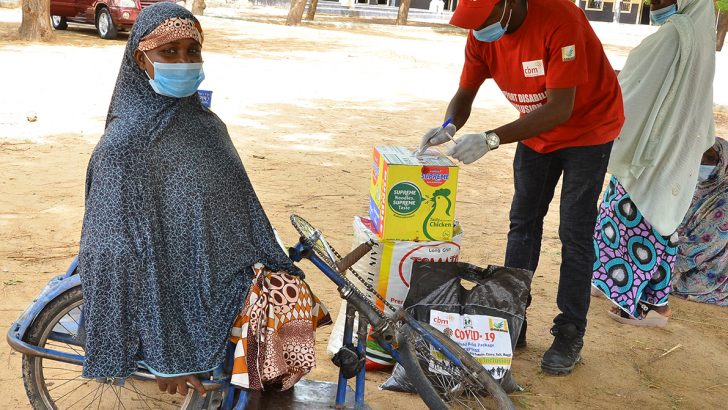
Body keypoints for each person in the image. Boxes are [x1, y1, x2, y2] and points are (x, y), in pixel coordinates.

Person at [78, 3, 304, 396]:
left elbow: (237, 205)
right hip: (162, 282)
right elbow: (113, 252)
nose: (183, 61)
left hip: (217, 267)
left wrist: (266, 255)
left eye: (192, 51)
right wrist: (166, 350)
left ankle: (259, 393)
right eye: (169, 52)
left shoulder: (207, 126)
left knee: (288, 301)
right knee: (278, 318)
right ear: (141, 60)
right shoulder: (123, 145)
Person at [419, 0, 624, 375]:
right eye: (473, 24)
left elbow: (561, 108)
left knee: (574, 230)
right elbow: (465, 93)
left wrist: (492, 139)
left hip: (588, 130)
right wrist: (449, 124)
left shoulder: (560, 20)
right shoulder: (482, 34)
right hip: (535, 131)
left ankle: (570, 331)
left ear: (510, 4)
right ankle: (512, 316)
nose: (479, 31)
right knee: (523, 222)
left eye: (485, 21)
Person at [592, 0, 715, 327]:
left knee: (631, 220)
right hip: (674, 152)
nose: (654, 3)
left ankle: (643, 305)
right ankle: (641, 297)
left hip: (650, 155)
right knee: (660, 222)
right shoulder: (701, 33)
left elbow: (636, 87)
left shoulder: (675, 34)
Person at [672, 138, 728, 306]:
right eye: (699, 156)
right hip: (677, 255)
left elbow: (703, 247)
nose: (702, 162)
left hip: (706, 273)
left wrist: (659, 259)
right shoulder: (700, 187)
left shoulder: (724, 200)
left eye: (710, 159)